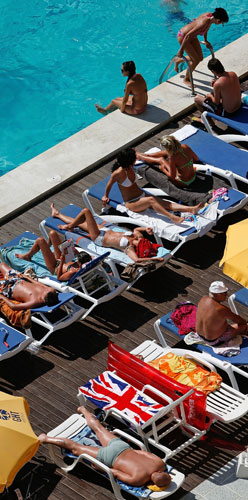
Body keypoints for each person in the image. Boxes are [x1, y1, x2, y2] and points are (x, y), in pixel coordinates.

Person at [39, 406, 171, 489]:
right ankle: (46, 439)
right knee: (75, 448)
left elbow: (142, 453)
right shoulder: (138, 480)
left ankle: (83, 410)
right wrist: (100, 467)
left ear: (160, 473)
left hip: (123, 447)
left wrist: (130, 451)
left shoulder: (159, 463)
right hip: (111, 458)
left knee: (99, 428)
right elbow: (115, 473)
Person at [102, 148, 202, 224]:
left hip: (142, 195)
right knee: (152, 200)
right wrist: (105, 196)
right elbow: (109, 183)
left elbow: (139, 154)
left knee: (166, 203)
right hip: (131, 203)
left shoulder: (131, 166)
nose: (136, 159)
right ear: (130, 160)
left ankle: (190, 209)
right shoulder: (118, 173)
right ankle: (172, 217)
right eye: (134, 158)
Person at [49, 203, 164, 263]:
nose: (140, 240)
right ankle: (58, 214)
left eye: (141, 243)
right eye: (142, 240)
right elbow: (137, 230)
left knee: (86, 212)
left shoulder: (129, 249)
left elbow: (137, 260)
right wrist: (146, 229)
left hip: (99, 238)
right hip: (105, 230)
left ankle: (69, 226)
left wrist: (155, 259)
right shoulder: (137, 236)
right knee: (81, 223)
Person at [175, 8, 229, 87]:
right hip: (183, 37)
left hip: (192, 37)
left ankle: (179, 61)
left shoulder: (211, 17)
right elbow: (188, 35)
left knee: (200, 58)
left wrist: (206, 40)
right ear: (218, 20)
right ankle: (186, 79)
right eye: (222, 23)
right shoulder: (205, 21)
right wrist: (181, 50)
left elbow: (206, 29)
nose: (221, 24)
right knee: (196, 60)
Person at [15, 230, 91, 282]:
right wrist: (71, 248)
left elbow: (59, 278)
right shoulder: (87, 262)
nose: (76, 259)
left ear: (80, 263)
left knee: (40, 240)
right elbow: (79, 256)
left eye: (77, 260)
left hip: (55, 266)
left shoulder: (72, 271)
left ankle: (28, 256)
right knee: (52, 233)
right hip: (64, 260)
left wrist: (61, 262)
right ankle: (47, 246)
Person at [196, 281, 247, 345]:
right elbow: (242, 322)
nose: (227, 294)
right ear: (215, 295)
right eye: (224, 293)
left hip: (199, 335)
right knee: (245, 326)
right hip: (214, 341)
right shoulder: (221, 309)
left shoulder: (203, 299)